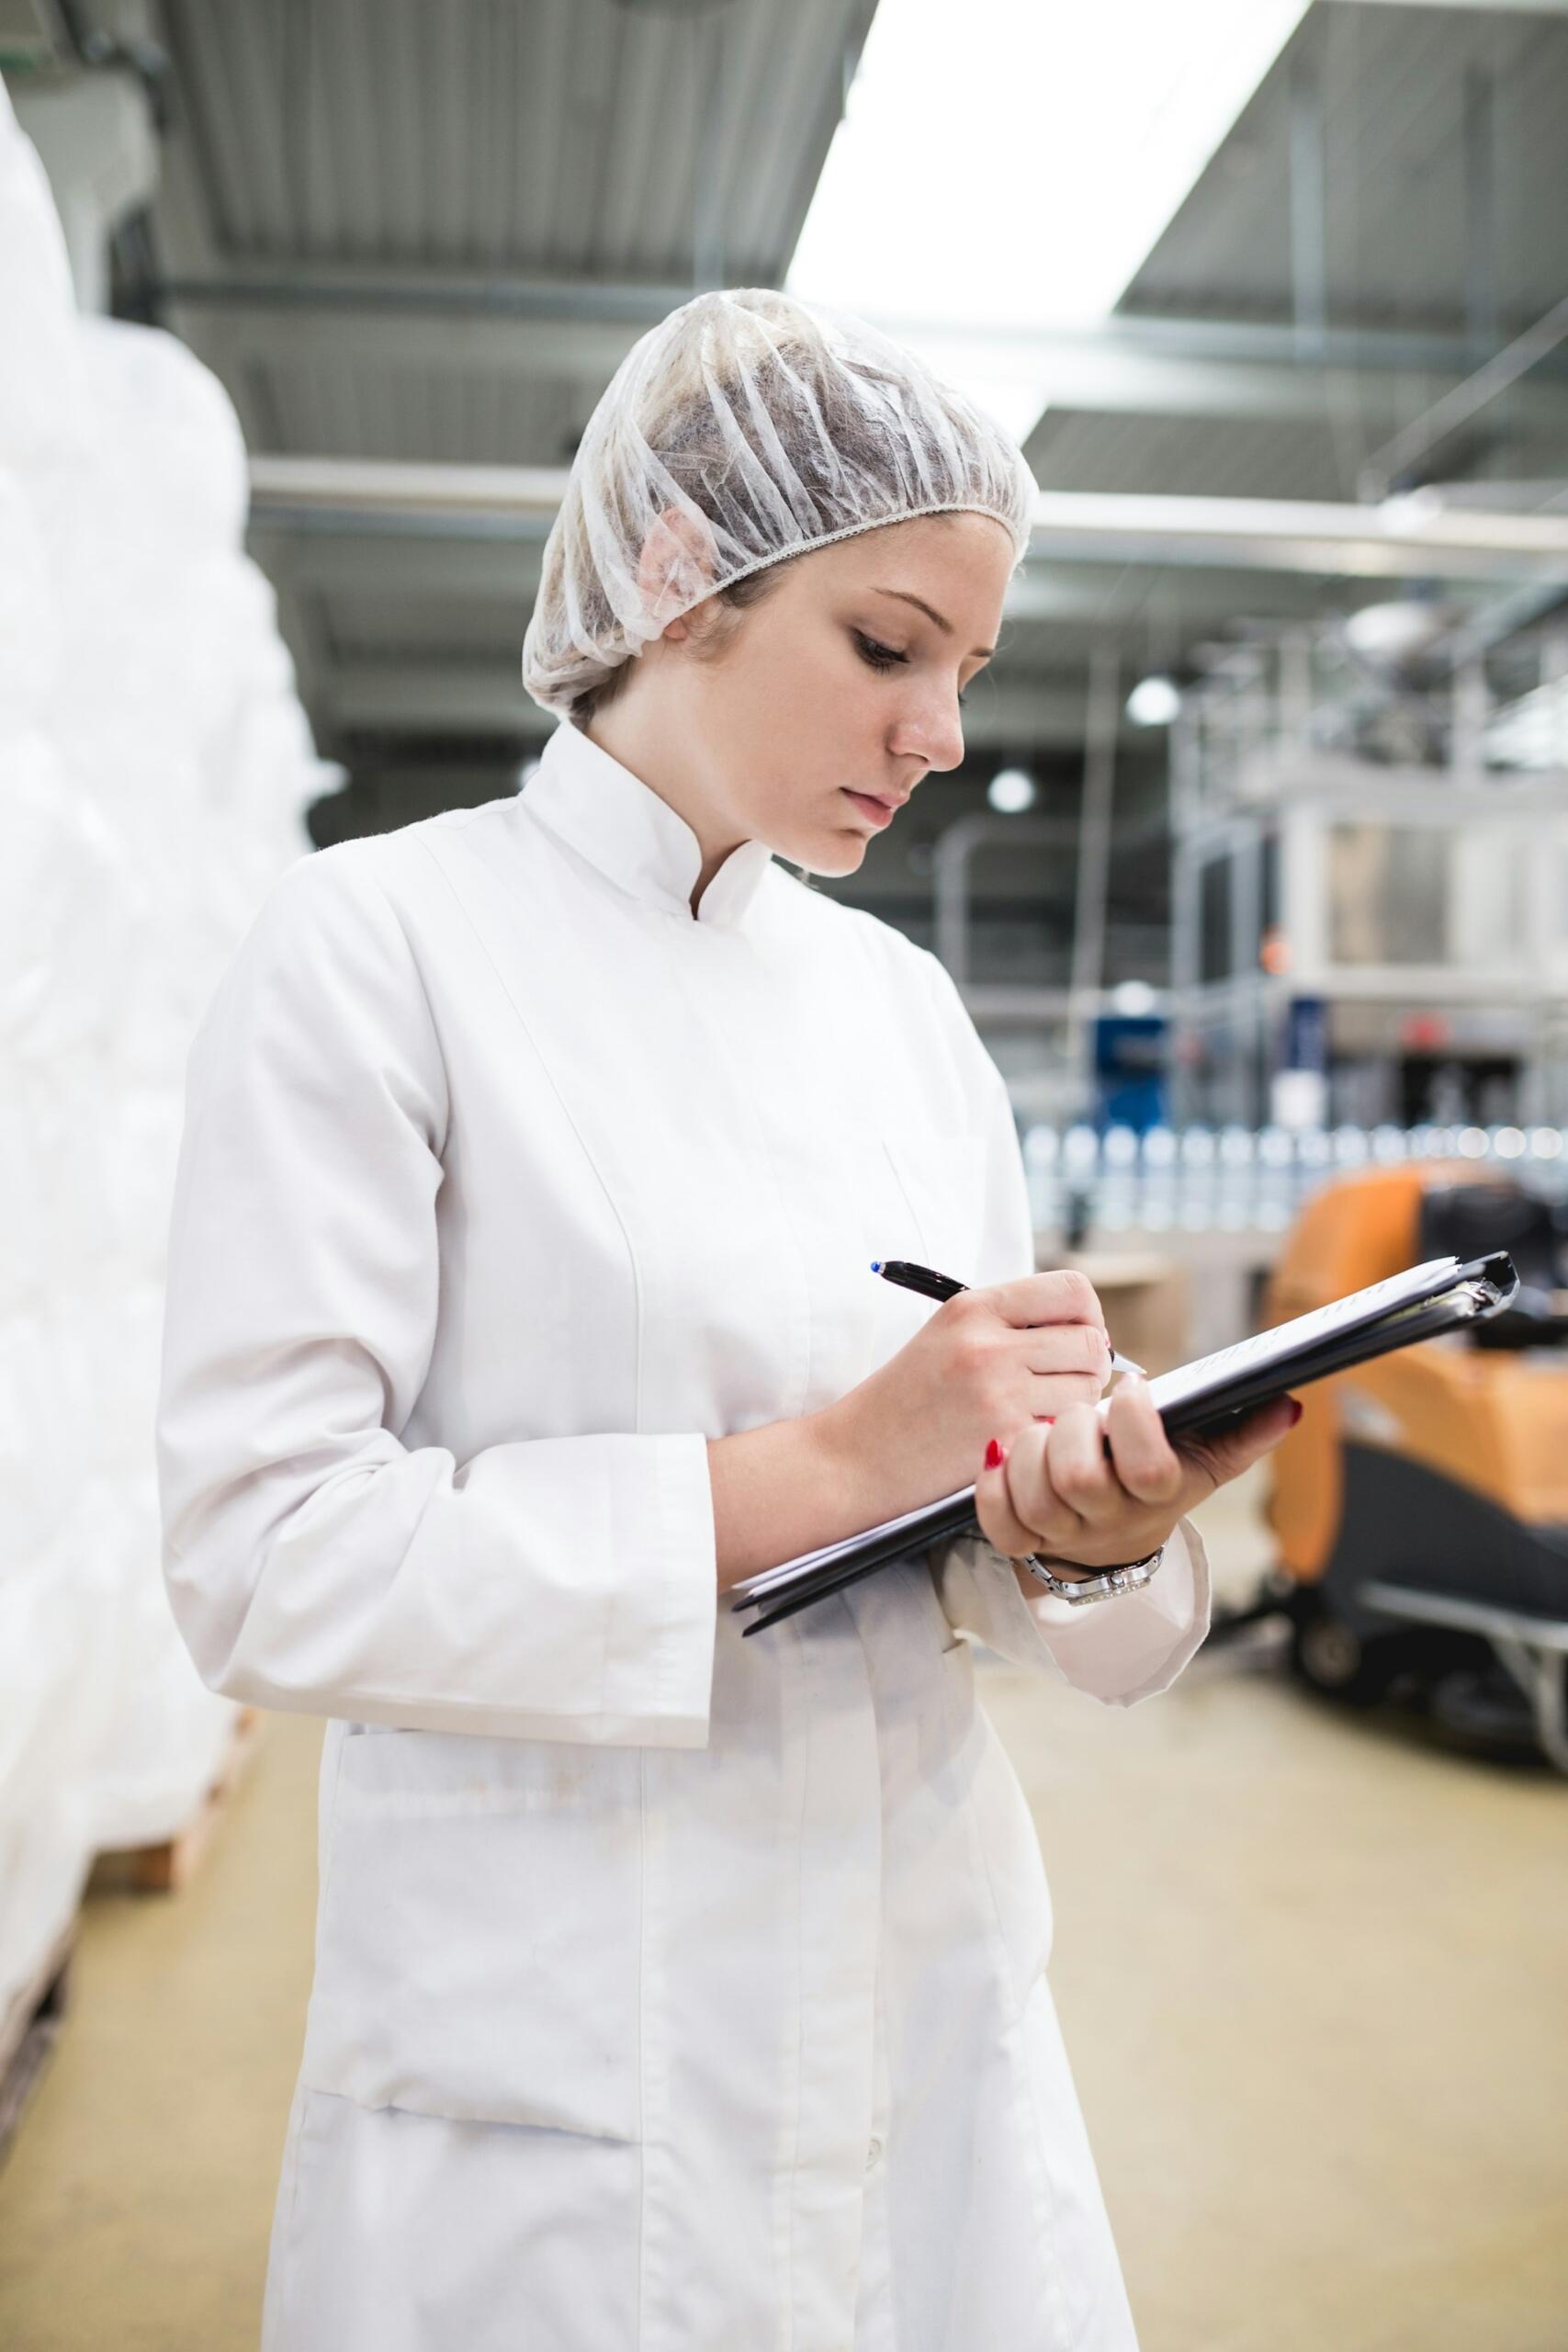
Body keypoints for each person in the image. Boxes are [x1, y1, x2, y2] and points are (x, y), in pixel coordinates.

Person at [154, 287, 1296, 2351]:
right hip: (568, 2066)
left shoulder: (899, 1016)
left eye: (965, 666)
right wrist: (824, 1468)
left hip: (919, 2003)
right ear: (679, 574)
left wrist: (1094, 1519)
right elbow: (265, 1557)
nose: (937, 731)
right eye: (883, 645)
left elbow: (1065, 1609)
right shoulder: (382, 948)